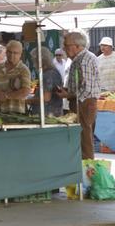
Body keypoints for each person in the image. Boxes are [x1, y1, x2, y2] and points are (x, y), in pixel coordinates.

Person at [55, 29, 101, 159]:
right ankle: (82, 165)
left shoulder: (84, 60)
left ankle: (87, 166)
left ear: (78, 46)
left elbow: (86, 89)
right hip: (80, 101)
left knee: (84, 137)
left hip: (84, 102)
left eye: (66, 45)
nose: (64, 49)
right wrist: (67, 91)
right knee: (81, 136)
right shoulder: (78, 59)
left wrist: (68, 95)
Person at [0, 40, 32, 114]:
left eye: (15, 53)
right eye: (9, 52)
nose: (12, 55)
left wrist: (6, 96)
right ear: (6, 52)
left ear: (20, 54)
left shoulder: (23, 70)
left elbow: (25, 91)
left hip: (13, 113)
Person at [27, 46, 63, 117]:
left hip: (47, 115)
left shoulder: (48, 75)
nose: (34, 65)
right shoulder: (53, 72)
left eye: (34, 61)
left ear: (40, 61)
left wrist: (28, 100)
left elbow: (45, 98)